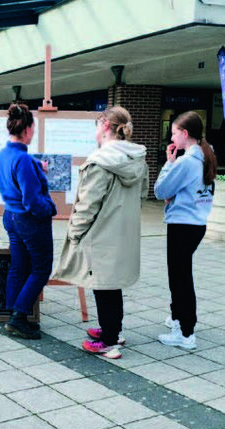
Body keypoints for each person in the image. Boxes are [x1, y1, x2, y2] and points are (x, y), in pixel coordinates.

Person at [53, 107, 147, 355]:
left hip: (100, 233)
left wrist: (74, 233)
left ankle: (109, 341)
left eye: (97, 125)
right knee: (111, 284)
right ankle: (113, 330)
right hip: (123, 232)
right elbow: (142, 196)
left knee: (102, 284)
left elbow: (87, 205)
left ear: (105, 125)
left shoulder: (100, 162)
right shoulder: (137, 159)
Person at [154, 111, 217, 349]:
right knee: (182, 275)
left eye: (173, 133)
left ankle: (186, 331)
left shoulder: (187, 161)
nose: (171, 138)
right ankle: (179, 319)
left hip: (182, 224)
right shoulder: (206, 156)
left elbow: (160, 191)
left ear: (185, 133)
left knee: (179, 278)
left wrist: (168, 165)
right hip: (197, 223)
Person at [0, 103, 57, 339]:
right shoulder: (22, 160)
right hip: (29, 220)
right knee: (41, 269)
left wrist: (35, 166)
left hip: (10, 216)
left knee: (19, 266)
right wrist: (50, 208)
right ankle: (19, 318)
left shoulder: (5, 154)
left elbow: (18, 170)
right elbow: (33, 202)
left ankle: (13, 313)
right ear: (28, 130)